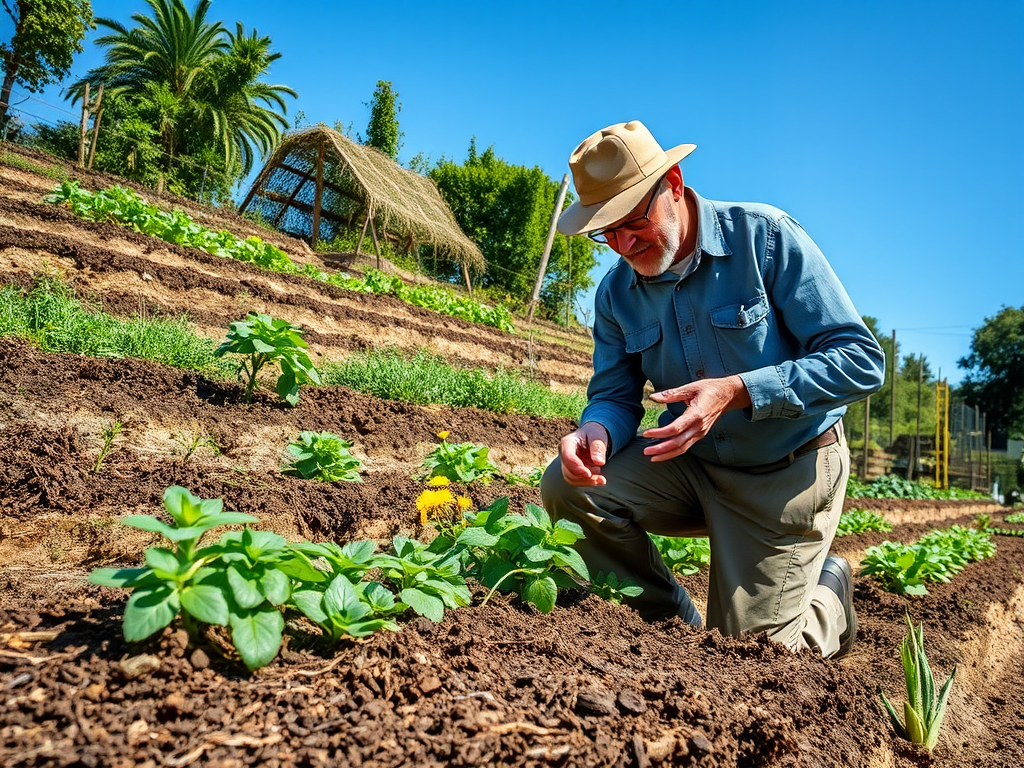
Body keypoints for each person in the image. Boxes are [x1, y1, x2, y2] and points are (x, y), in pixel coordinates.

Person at [541, 121, 885, 659]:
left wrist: (739, 390)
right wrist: (596, 428)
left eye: (633, 223)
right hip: (692, 466)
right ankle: (673, 630)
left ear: (674, 184)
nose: (623, 245)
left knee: (757, 663)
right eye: (605, 233)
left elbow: (861, 360)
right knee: (570, 487)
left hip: (786, 473)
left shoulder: (764, 238)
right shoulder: (615, 294)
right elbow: (613, 392)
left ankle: (827, 601)